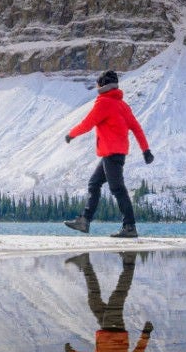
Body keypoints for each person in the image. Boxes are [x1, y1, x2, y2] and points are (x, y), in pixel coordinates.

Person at [63, 70, 153, 238]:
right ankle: (85, 220)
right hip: (115, 154)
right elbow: (137, 128)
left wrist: (71, 134)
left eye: (98, 83)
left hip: (111, 154)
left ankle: (129, 226)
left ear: (102, 85)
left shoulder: (104, 102)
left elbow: (88, 123)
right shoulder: (122, 105)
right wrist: (146, 150)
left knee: (117, 189)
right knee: (94, 183)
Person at [63, 252, 153, 352]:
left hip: (113, 331)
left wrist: (145, 335)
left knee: (94, 301)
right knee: (119, 294)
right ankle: (129, 262)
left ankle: (86, 264)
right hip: (110, 331)